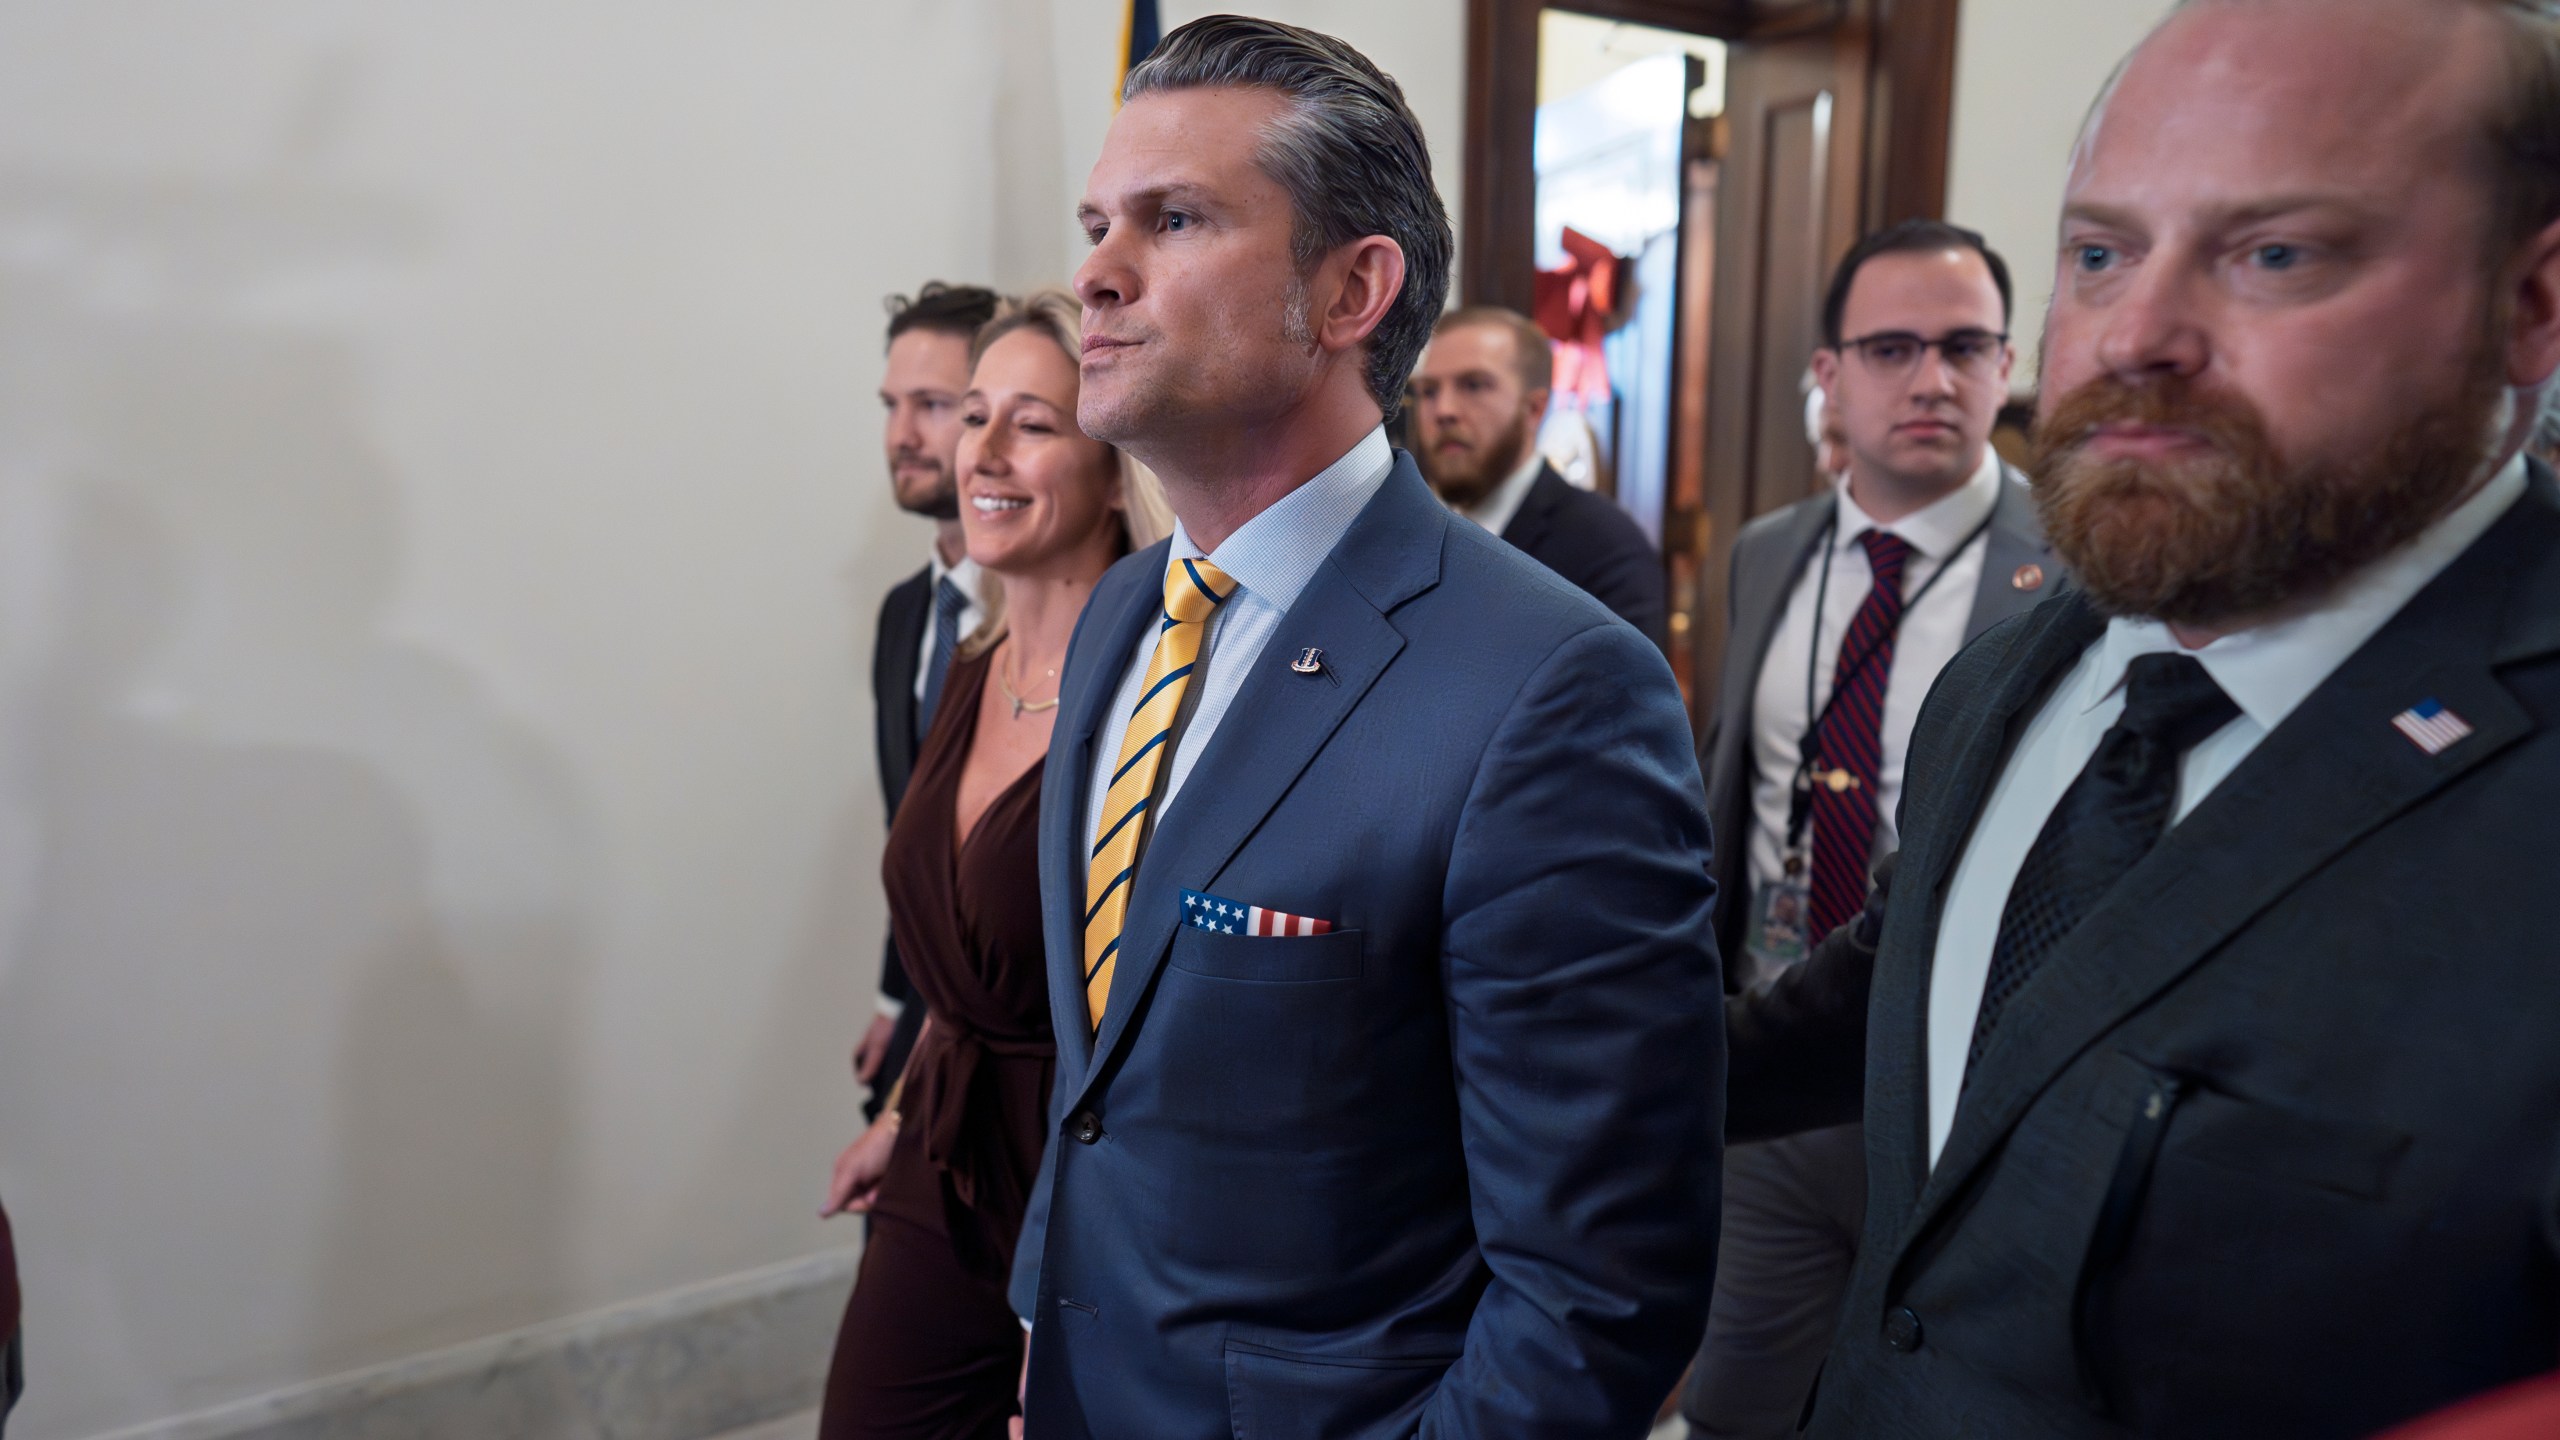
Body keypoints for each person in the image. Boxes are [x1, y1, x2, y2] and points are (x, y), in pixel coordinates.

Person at [1725, 0, 2560, 1434]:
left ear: (2532, 303)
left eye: (2274, 253)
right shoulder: (2011, 677)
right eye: (2102, 251)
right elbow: (1936, 990)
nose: (2137, 334)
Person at [1008, 16, 1722, 1438]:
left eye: (1175, 219)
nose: (1093, 272)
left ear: (1351, 290)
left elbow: (1599, 1292)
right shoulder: (1125, 614)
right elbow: (1109, 1085)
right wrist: (1052, 1320)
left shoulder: (1552, 685)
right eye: (1099, 222)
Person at [1683, 221, 2058, 1439]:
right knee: (1736, 1403)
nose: (1932, 380)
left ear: (2006, 366)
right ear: (1827, 374)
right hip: (1768, 1065)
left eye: (1965, 347)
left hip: (1956, 1096)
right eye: (1891, 348)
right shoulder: (1765, 554)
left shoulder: (2070, 577)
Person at [818, 290, 1172, 1440]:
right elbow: (960, 962)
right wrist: (902, 1110)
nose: (986, 451)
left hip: (1090, 1191)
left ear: (1115, 465)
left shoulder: (1161, 699)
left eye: (1034, 422)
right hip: (941, 1151)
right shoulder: (969, 667)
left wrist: (1070, 1304)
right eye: (976, 417)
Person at [859, 282, 1002, 1125]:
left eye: (933, 406)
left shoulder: (1076, 612)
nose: (901, 436)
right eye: (890, 406)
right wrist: (890, 999)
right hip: (925, 1004)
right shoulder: (905, 614)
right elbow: (911, 837)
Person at [1410, 305, 1669, 647]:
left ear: (1534, 408)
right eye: (1428, 391)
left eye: (1473, 385)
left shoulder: (1605, 546)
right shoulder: (1408, 535)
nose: (1443, 411)